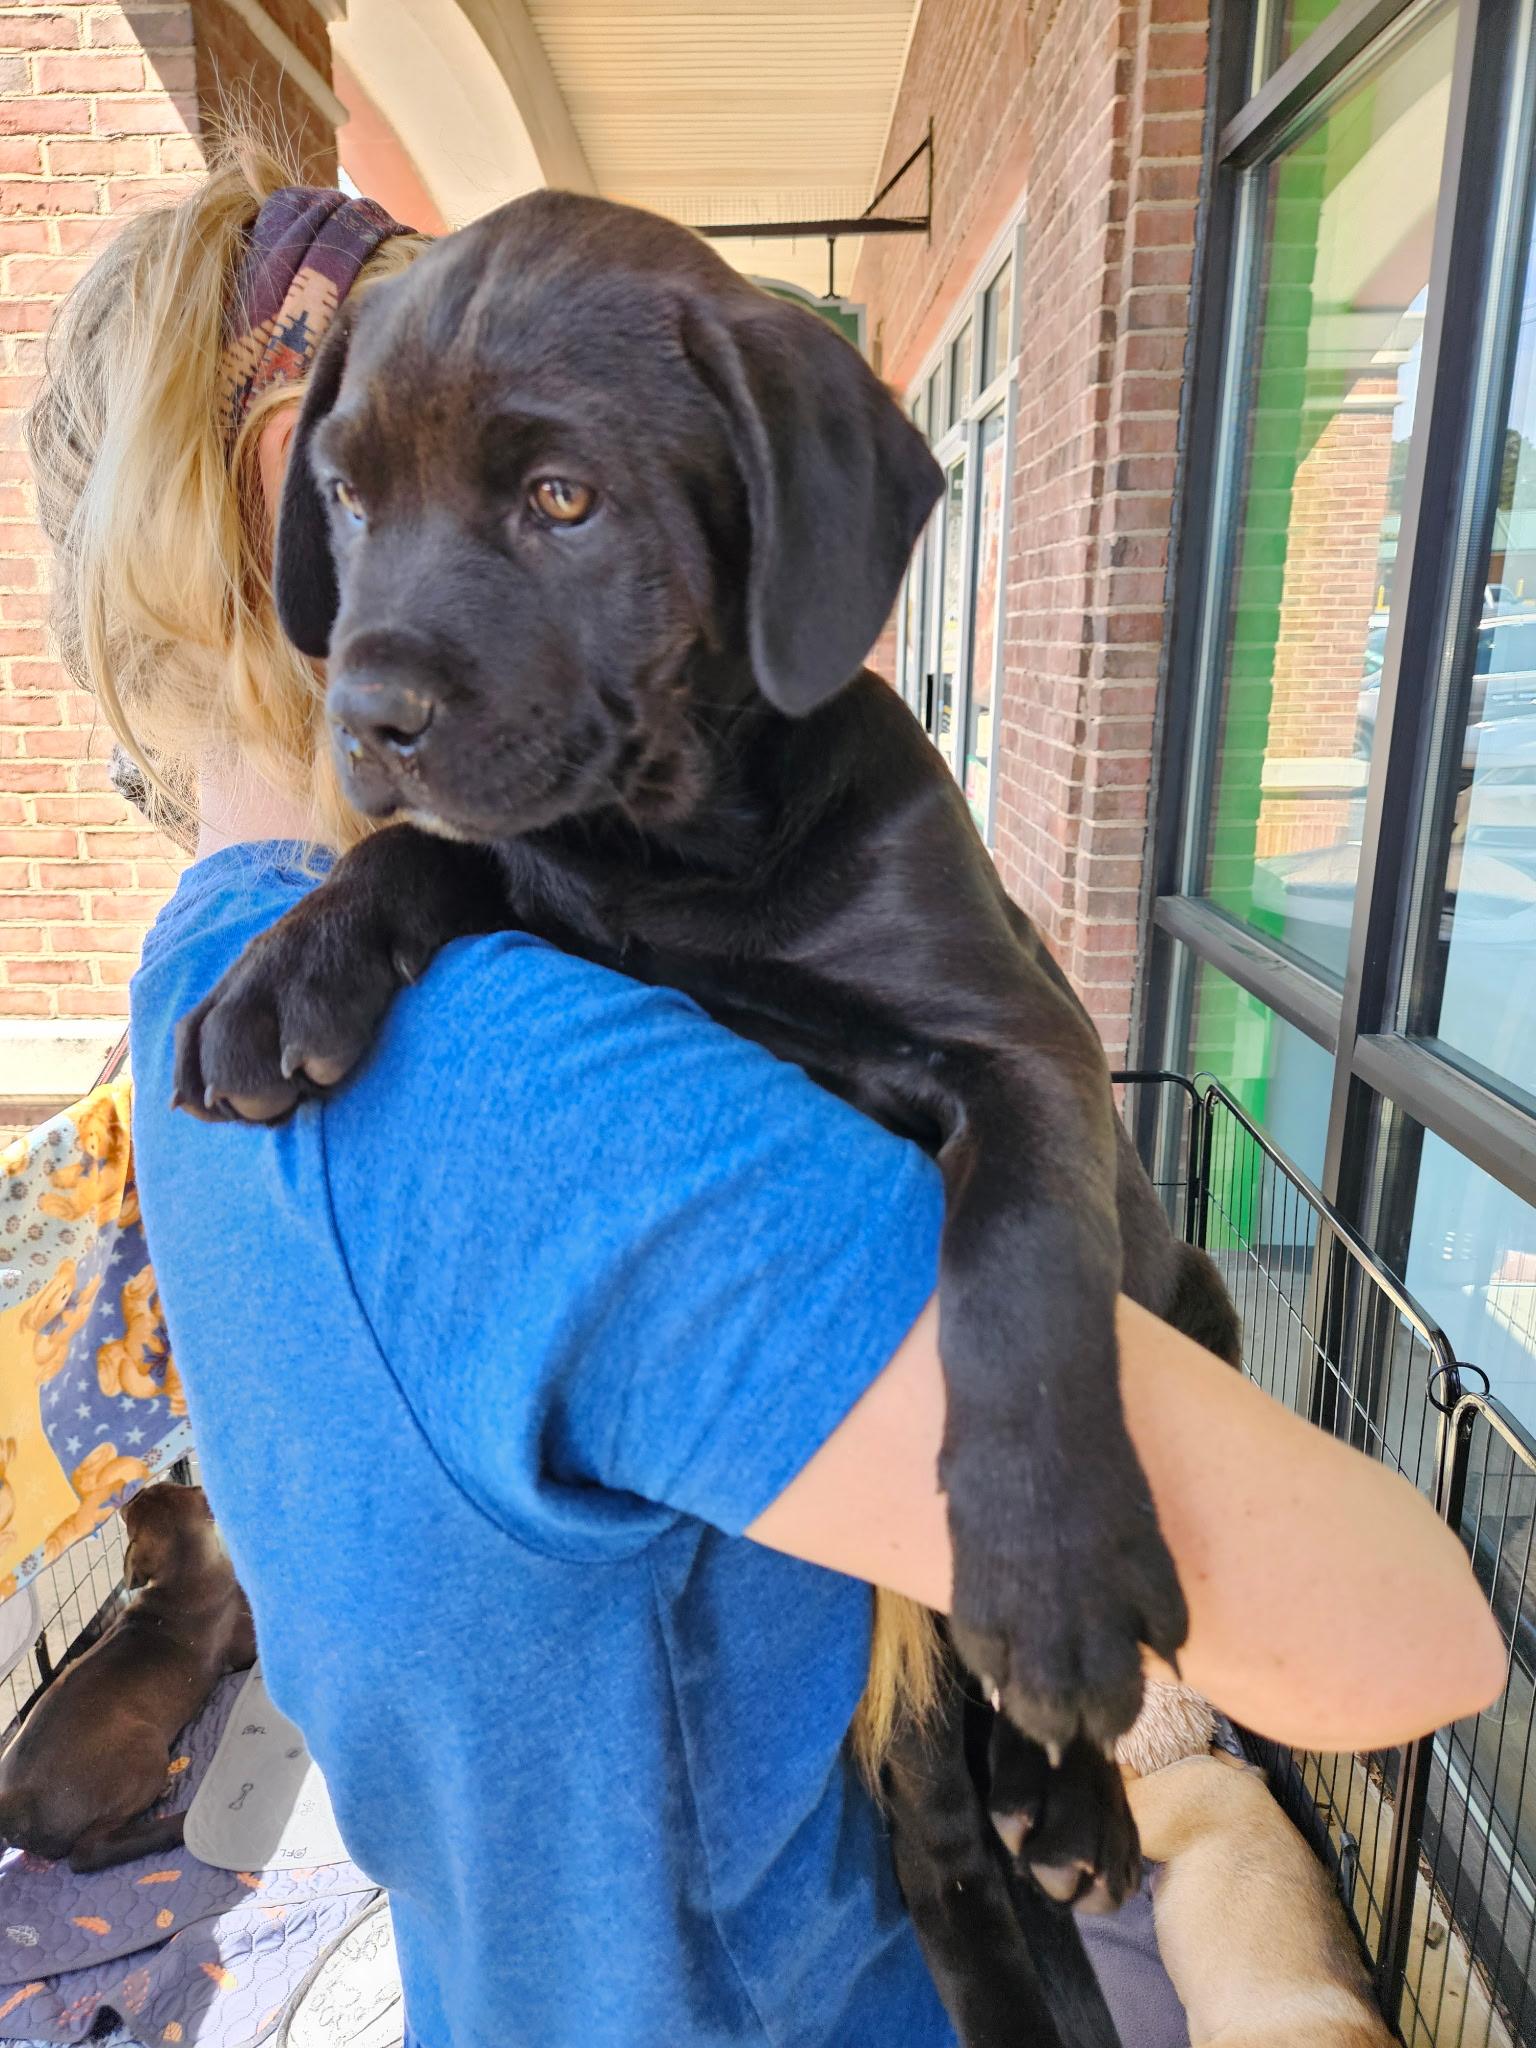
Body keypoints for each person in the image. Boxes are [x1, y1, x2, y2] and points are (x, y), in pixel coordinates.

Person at [26, 140, 1504, 2048]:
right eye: (366, 493)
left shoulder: (203, 1001)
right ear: (285, 491)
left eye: (555, 496)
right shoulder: (522, 1084)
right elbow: (1409, 1638)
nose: (392, 639)